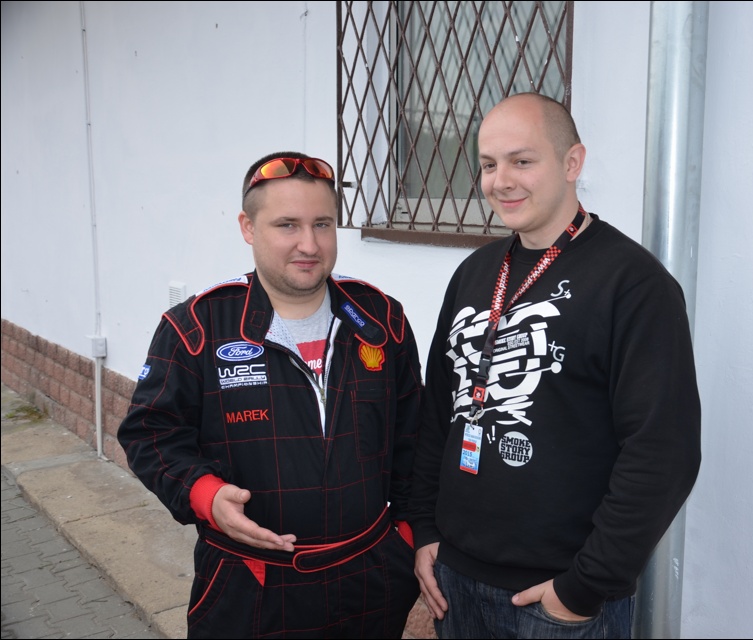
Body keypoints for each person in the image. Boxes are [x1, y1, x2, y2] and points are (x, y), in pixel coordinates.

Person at [409, 92, 702, 639]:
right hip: (456, 579)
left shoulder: (634, 285)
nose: (501, 181)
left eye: (522, 161)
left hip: (556, 601)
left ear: (572, 163)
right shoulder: (474, 272)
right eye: (489, 165)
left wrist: (583, 588)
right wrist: (424, 529)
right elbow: (437, 415)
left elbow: (663, 451)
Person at [118, 151, 423, 639]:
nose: (309, 244)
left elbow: (414, 442)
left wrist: (407, 537)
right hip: (249, 587)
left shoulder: (381, 319)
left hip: (369, 582)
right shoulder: (196, 327)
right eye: (287, 225)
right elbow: (149, 433)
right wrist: (205, 494)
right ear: (248, 227)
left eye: (322, 224)